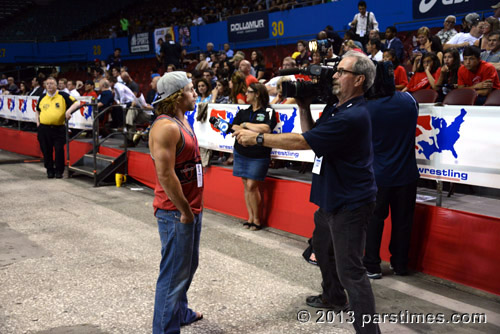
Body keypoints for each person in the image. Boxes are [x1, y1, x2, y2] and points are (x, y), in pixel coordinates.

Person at [234, 51, 380, 334]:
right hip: (330, 197)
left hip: (350, 203)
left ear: (359, 79)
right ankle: (332, 296)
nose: (334, 76)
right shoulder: (337, 107)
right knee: (323, 254)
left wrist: (259, 138)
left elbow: (302, 141)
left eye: (341, 72)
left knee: (351, 272)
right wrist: (303, 107)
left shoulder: (355, 114)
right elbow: (314, 136)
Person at [149, 71, 204, 334]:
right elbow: (165, 175)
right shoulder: (166, 127)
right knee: (172, 275)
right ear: (178, 95)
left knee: (187, 267)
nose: (196, 93)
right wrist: (184, 211)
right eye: (192, 89)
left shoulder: (181, 119)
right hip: (176, 213)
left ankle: (180, 311)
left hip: (191, 208)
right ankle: (164, 329)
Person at [363, 72, 420, 279]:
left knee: (374, 221)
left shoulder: (368, 108)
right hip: (407, 174)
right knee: (403, 222)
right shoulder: (409, 100)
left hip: (379, 175)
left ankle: (371, 265)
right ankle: (401, 265)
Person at [231, 83, 277, 230]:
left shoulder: (268, 111)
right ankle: (250, 217)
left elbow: (266, 128)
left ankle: (257, 219)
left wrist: (244, 125)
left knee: (252, 185)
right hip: (241, 151)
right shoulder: (243, 111)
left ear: (257, 94)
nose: (246, 95)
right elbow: (233, 126)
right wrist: (249, 128)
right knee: (246, 185)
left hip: (259, 154)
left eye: (249, 92)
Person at [35, 77, 81, 179]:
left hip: (58, 128)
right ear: (45, 86)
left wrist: (68, 111)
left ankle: (59, 171)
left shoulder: (62, 95)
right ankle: (49, 170)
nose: (50, 85)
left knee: (59, 149)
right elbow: (37, 110)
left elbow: (77, 103)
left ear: (56, 85)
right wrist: (38, 122)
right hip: (44, 129)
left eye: (52, 83)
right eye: (47, 84)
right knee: (46, 150)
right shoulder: (42, 97)